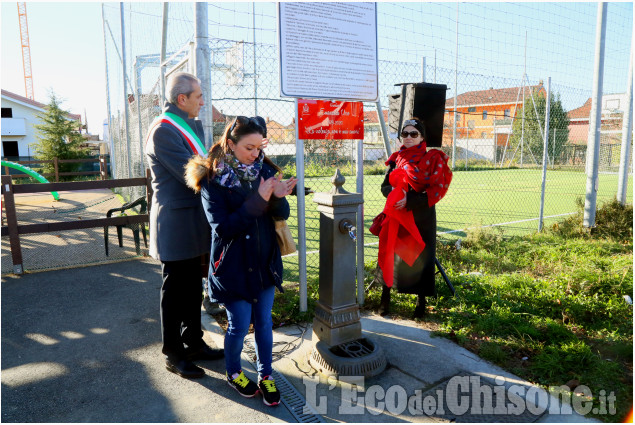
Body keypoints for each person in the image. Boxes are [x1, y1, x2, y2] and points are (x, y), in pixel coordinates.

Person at [185, 116, 297, 406]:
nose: (256, 154)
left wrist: (278, 197)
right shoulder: (212, 179)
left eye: (260, 147)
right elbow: (223, 228)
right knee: (238, 325)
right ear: (231, 144)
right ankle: (234, 372)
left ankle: (266, 374)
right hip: (232, 266)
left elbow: (278, 213)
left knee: (263, 324)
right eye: (249, 147)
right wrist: (260, 199)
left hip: (264, 262)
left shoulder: (264, 169)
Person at [145, 72, 224, 380]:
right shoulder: (164, 131)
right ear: (182, 99)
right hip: (176, 223)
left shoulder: (184, 126)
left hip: (191, 221)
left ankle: (193, 342)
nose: (203, 102)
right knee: (175, 290)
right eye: (198, 97)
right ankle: (173, 353)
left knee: (192, 287)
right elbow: (196, 174)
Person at [376, 118, 452, 318]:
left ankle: (420, 303)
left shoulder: (433, 159)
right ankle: (385, 299)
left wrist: (409, 200)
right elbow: (384, 186)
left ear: (422, 137)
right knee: (390, 254)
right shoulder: (395, 159)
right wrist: (393, 193)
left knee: (421, 257)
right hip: (397, 217)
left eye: (413, 134)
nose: (408, 138)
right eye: (405, 134)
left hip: (422, 217)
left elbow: (437, 190)